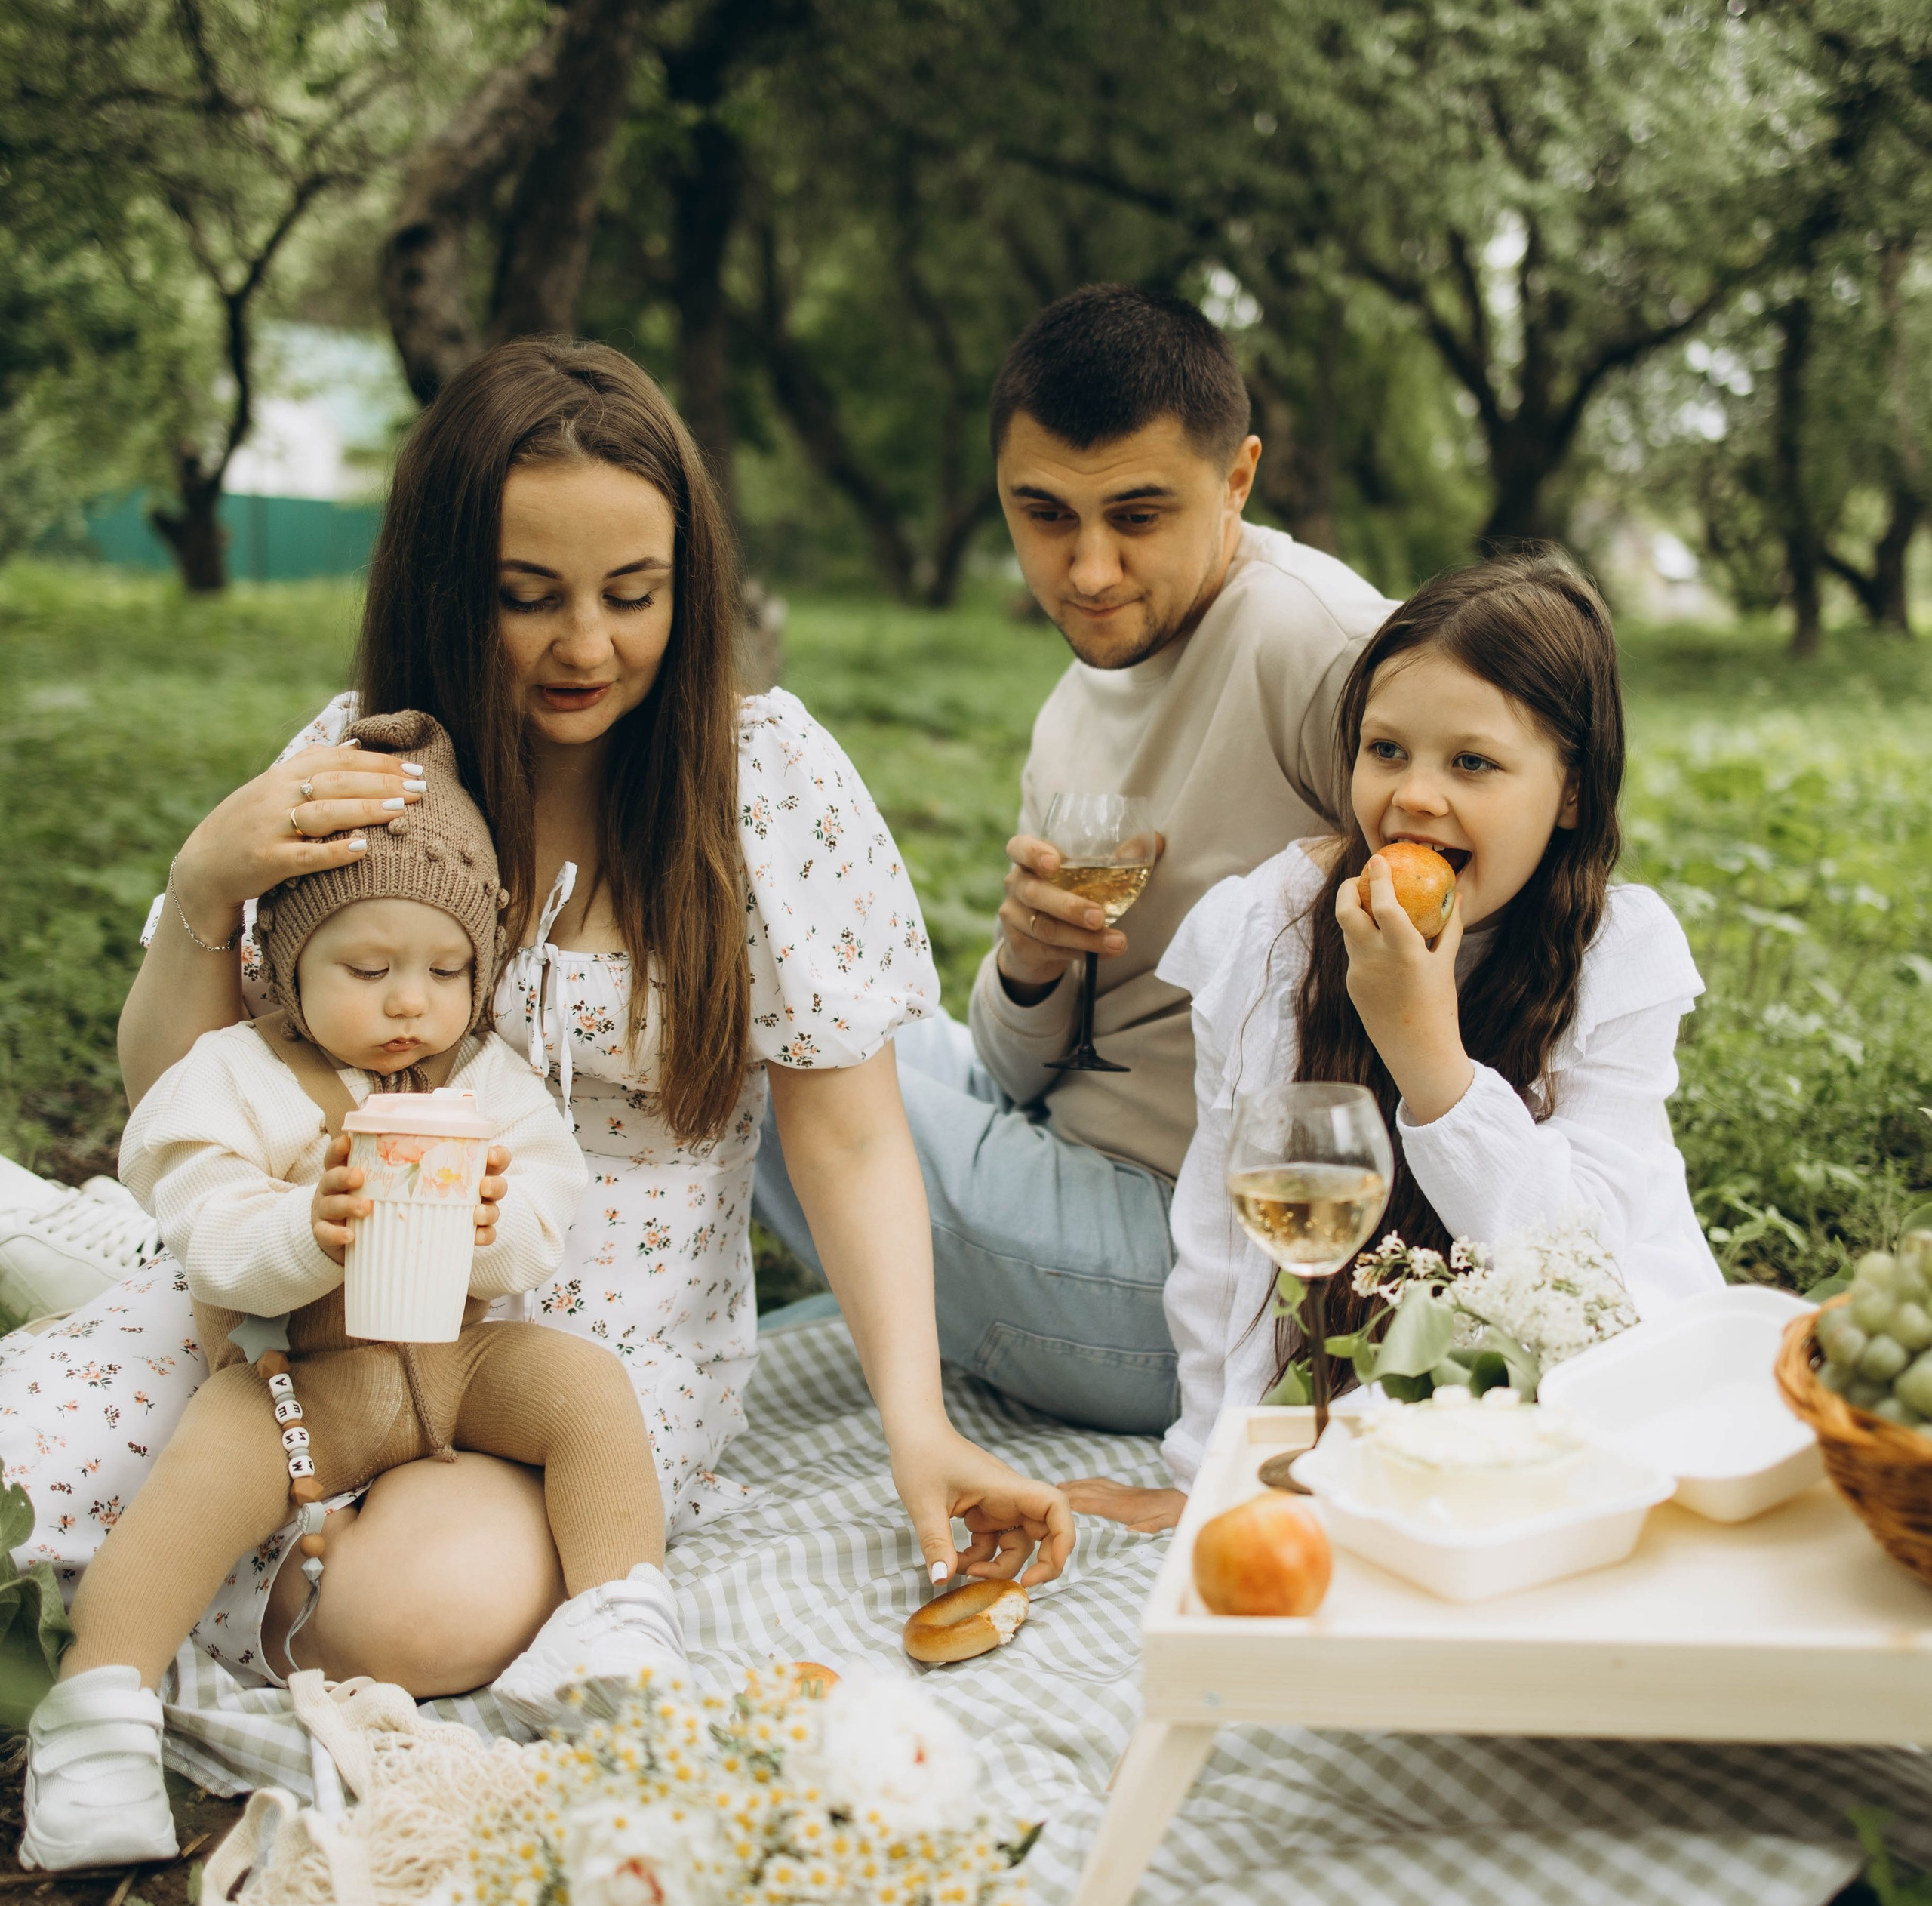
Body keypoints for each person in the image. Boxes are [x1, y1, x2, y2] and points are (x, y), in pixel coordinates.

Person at [0, 340, 1072, 1709]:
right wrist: (208, 887)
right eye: (528, 597)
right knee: (28, 1464)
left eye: (633, 594)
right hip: (320, 1297)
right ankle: (127, 1295)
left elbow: (854, 1146)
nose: (587, 645)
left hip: (591, 1364)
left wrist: (915, 1425)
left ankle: (124, 1349)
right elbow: (182, 1088)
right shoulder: (374, 762)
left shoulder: (764, 781)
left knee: (403, 1618)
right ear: (449, 587)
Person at [22, 710, 693, 1869]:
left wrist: (493, 1225)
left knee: (586, 1387)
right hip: (304, 1379)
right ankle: (97, 1713)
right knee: (197, 1480)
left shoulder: (486, 1078)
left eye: (445, 972)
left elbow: (546, 1210)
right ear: (290, 964)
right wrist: (307, 1226)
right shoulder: (239, 1076)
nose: (409, 1004)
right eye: (369, 971)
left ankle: (616, 1621)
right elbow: (202, 1224)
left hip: (459, 1362)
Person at [754, 282, 1385, 1433]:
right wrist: (1031, 965)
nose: (1089, 570)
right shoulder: (1077, 700)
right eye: (1044, 515)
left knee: (744, 1032)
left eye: (1138, 516)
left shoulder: (1320, 647)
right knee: (785, 987)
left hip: (1212, 1260)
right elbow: (1020, 1074)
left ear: (1238, 480)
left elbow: (1518, 920)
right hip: (1066, 1143)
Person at [1084, 550, 1721, 1531]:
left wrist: (1429, 1054)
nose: (1415, 797)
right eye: (1386, 750)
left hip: (1575, 1391)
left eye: (1473, 763)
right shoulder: (1272, 930)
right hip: (1362, 1394)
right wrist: (1209, 1470)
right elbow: (1227, 1241)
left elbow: (1578, 1278)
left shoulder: (1617, 957)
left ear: (1571, 792)